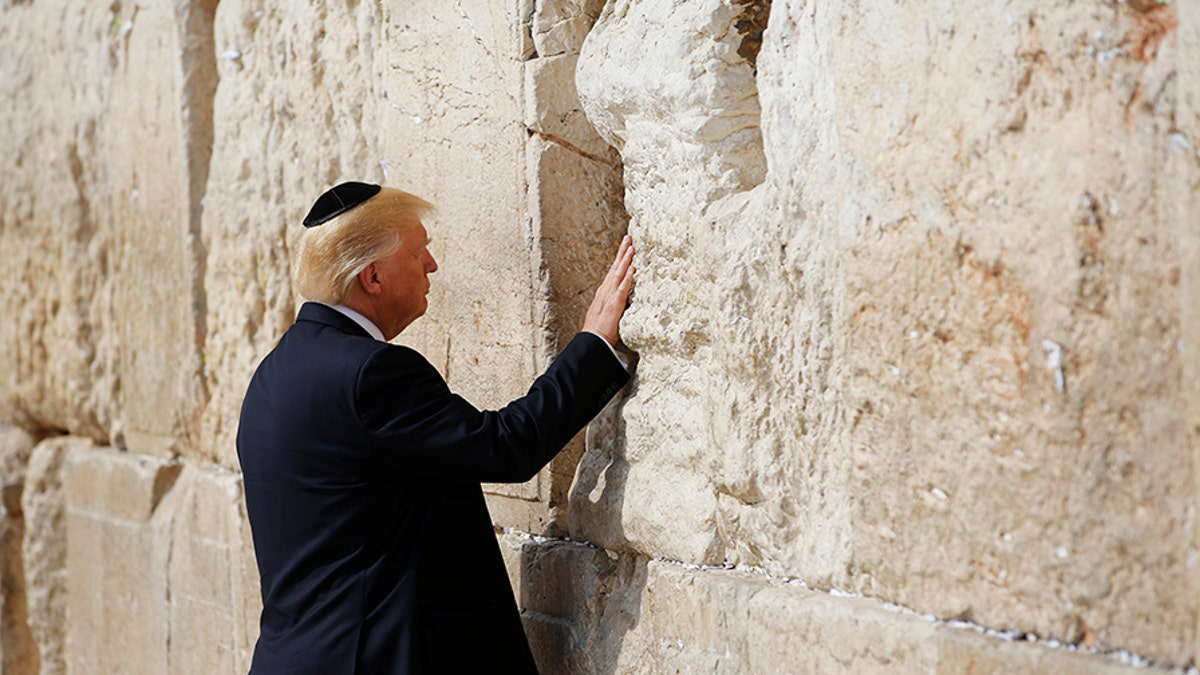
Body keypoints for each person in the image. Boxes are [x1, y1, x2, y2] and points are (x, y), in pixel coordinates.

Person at [236, 181, 635, 673]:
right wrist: (594, 343)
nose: (432, 265)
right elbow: (505, 448)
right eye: (420, 251)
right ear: (373, 277)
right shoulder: (369, 374)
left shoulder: (273, 374)